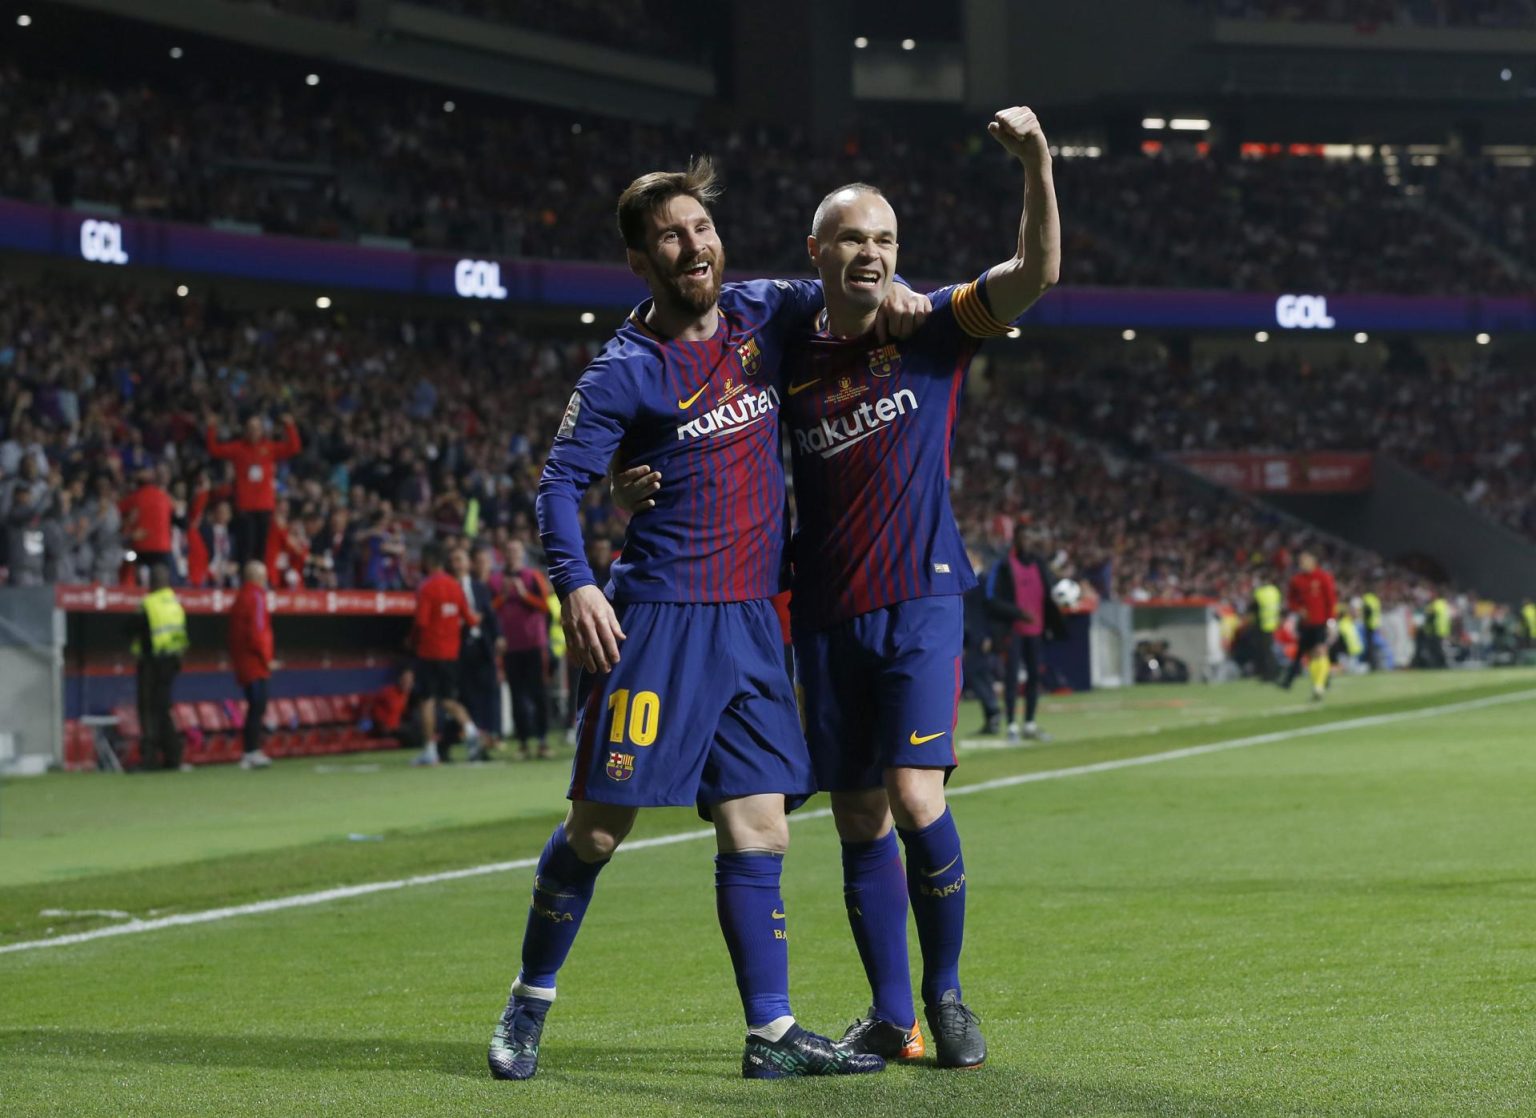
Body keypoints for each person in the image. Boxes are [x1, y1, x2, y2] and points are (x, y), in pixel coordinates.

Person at [619, 106, 1058, 1068]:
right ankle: (891, 1017)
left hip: (923, 596)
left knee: (913, 794)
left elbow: (1034, 277)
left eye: (887, 241)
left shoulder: (935, 326)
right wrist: (623, 473)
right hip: (821, 607)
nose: (873, 253)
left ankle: (946, 1001)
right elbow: (679, 359)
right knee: (857, 813)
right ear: (818, 250)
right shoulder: (779, 343)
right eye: (855, 239)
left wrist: (1034, 163)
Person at [488, 157, 926, 1085]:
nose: (695, 247)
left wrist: (909, 286)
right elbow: (557, 484)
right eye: (672, 238)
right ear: (643, 262)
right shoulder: (624, 371)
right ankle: (529, 1003)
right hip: (657, 623)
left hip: (752, 626)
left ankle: (770, 1033)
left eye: (701, 228)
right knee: (598, 832)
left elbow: (858, 280)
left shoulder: (766, 311)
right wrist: (577, 586)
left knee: (760, 826)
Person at [986, 524, 1067, 744]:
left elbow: (1052, 591)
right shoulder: (1004, 565)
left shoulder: (1040, 565)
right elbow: (991, 598)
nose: (1028, 542)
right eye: (1024, 537)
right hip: (1013, 630)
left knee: (1034, 676)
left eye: (1031, 537)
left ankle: (1029, 723)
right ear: (1016, 539)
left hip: (1037, 630)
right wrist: (1019, 613)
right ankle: (1012, 725)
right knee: (1011, 678)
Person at [409, 540, 483, 764]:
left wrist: (410, 642)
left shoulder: (426, 586)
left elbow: (421, 623)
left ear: (428, 560)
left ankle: (430, 750)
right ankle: (471, 732)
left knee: (427, 701)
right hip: (451, 654)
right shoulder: (455, 586)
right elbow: (470, 619)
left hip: (429, 652)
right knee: (449, 700)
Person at [205, 411, 302, 568]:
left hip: (265, 506)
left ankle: (259, 581)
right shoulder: (238, 448)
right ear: (245, 430)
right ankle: (246, 581)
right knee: (246, 547)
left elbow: (294, 448)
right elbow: (214, 450)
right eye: (250, 427)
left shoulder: (269, 447)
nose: (253, 431)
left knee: (262, 547)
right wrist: (211, 428)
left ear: (262, 430)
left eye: (257, 428)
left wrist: (289, 426)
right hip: (245, 506)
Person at [491, 537, 554, 760]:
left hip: (534, 644)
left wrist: (525, 595)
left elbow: (546, 606)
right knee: (517, 695)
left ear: (522, 554)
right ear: (503, 554)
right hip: (511, 646)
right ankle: (523, 742)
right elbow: (491, 609)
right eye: (508, 551)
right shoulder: (496, 580)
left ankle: (543, 740)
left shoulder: (533, 577)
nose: (512, 555)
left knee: (538, 692)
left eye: (516, 550)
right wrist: (505, 596)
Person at [132, 564, 189, 771]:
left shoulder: (149, 603)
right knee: (163, 710)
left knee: (148, 711)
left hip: (151, 663)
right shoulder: (175, 603)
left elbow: (130, 628)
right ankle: (173, 756)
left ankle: (149, 759)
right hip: (172, 663)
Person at [455, 545, 501, 761]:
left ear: (468, 563)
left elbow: (490, 615)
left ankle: (487, 738)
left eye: (461, 559)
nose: (458, 564)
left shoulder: (479, 587)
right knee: (467, 697)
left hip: (482, 647)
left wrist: (499, 636)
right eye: (454, 559)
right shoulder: (448, 586)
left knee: (488, 694)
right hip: (459, 648)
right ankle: (471, 743)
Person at [228, 560, 275, 770]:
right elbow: (257, 632)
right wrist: (267, 659)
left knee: (255, 706)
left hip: (244, 661)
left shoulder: (240, 597)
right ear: (256, 577)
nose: (267, 580)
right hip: (254, 662)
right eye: (264, 575)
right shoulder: (255, 596)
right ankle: (251, 752)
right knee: (257, 706)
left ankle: (251, 751)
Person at [1282, 551, 1338, 699]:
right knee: (1309, 655)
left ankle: (1319, 686)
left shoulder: (1323, 577)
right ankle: (1321, 681)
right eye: (1301, 561)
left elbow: (1330, 600)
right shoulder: (1296, 580)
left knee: (1320, 650)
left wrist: (1331, 621)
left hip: (1321, 621)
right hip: (1305, 624)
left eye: (1305, 561)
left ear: (1313, 561)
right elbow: (1291, 600)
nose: (1302, 564)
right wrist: (1298, 610)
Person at [961, 551, 1001, 736]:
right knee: (979, 674)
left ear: (977, 559)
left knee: (976, 673)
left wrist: (988, 635)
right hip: (971, 635)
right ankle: (991, 717)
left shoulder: (984, 581)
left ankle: (993, 712)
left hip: (980, 636)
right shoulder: (971, 580)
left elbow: (990, 611)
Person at [121, 468, 173, 582]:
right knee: (162, 578)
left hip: (142, 546)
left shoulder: (135, 497)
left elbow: (119, 511)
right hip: (162, 547)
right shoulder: (163, 497)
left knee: (138, 576)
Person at [1250, 575, 1284, 682]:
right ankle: (1275, 672)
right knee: (1271, 650)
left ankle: (1269, 674)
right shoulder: (1275, 591)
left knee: (1266, 651)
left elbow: (1253, 607)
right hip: (1274, 623)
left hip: (1263, 625)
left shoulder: (1260, 593)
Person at [1360, 587, 1383, 670]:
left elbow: (1367, 611)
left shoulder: (1367, 599)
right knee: (1373, 645)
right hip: (1375, 625)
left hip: (1369, 625)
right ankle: (1374, 664)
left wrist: (1365, 620)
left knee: (1369, 646)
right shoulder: (1376, 600)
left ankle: (1371, 664)